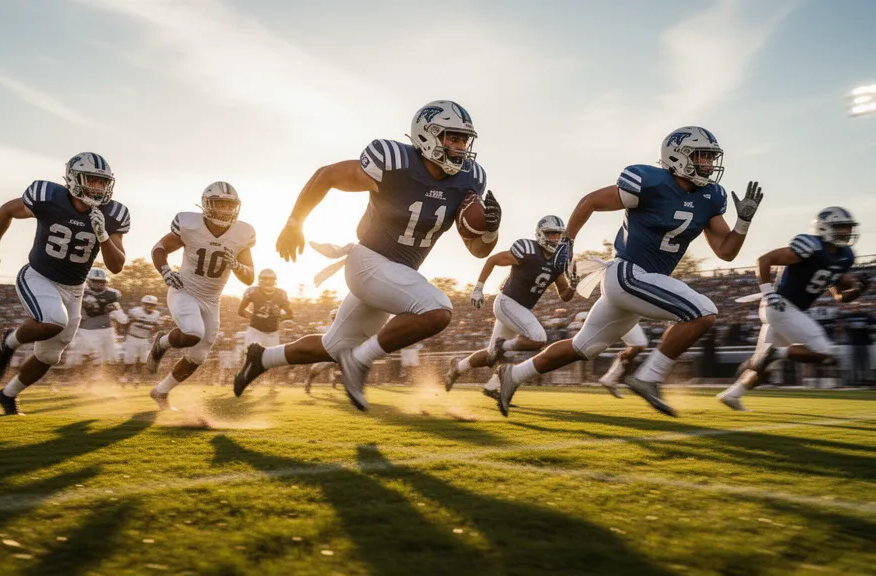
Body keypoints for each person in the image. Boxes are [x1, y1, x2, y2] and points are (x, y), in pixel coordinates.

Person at [234, 100, 500, 411]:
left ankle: (261, 358)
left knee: (333, 347)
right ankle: (359, 362)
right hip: (368, 261)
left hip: (397, 275)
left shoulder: (469, 179)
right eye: (452, 138)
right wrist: (295, 223)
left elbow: (476, 249)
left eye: (464, 140)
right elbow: (327, 175)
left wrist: (490, 231)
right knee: (437, 309)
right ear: (428, 135)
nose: (460, 148)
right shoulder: (395, 160)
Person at [494, 126, 763, 417]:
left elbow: (726, 252)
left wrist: (743, 222)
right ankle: (649, 377)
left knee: (583, 347)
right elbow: (591, 202)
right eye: (702, 157)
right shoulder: (650, 182)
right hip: (628, 273)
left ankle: (514, 375)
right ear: (678, 156)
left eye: (711, 158)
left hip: (640, 282)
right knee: (703, 312)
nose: (709, 165)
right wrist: (568, 242)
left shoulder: (710, 197)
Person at [0, 152, 130, 415]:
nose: (97, 188)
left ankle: (8, 394)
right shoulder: (47, 196)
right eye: (91, 180)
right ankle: (10, 341)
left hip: (74, 288)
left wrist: (103, 236)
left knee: (50, 356)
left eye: (102, 182)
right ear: (74, 179)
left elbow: (116, 266)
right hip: (38, 276)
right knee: (53, 321)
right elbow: (7, 209)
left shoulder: (114, 214)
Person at [718, 207, 869, 410]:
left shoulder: (845, 257)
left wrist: (858, 289)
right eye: (841, 227)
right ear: (824, 228)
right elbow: (764, 260)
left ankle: (732, 394)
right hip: (780, 305)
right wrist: (769, 292)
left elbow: (840, 297)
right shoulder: (810, 246)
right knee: (823, 351)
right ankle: (776, 353)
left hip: (788, 311)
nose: (846, 232)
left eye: (848, 227)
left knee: (760, 368)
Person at [146, 181, 255, 410]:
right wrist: (165, 271)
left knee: (198, 357)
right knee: (193, 332)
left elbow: (249, 277)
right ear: (207, 204)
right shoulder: (189, 224)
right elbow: (159, 248)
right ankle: (162, 342)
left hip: (212, 300)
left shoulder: (242, 233)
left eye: (229, 206)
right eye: (219, 204)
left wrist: (236, 264)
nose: (225, 210)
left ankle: (161, 392)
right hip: (185, 290)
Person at [444, 215, 574, 395]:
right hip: (507, 302)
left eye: (557, 235)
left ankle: (460, 369)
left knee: (491, 355)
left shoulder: (558, 261)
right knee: (537, 338)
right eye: (550, 234)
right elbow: (492, 260)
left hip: (519, 308)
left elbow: (564, 295)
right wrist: (479, 288)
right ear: (540, 234)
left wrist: (573, 285)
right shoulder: (527, 250)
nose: (554, 238)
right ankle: (502, 347)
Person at [66, 267, 124, 380]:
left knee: (112, 357)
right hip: (85, 330)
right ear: (88, 281)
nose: (98, 284)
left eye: (101, 281)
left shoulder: (112, 294)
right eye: (95, 281)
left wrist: (116, 312)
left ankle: (107, 379)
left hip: (106, 330)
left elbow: (122, 317)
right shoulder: (80, 293)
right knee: (83, 356)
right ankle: (84, 378)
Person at [239, 269, 292, 351]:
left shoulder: (281, 294)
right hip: (255, 331)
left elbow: (290, 314)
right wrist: (253, 317)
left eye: (270, 279)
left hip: (273, 333)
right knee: (251, 357)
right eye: (265, 279)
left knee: (271, 361)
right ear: (260, 280)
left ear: (274, 281)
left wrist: (276, 318)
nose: (268, 282)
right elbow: (240, 311)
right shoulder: (252, 291)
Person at [120, 294, 162, 386]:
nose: (149, 306)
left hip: (145, 339)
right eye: (147, 304)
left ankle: (137, 377)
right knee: (130, 359)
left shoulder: (156, 314)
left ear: (155, 306)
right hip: (132, 337)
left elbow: (158, 326)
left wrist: (155, 329)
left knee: (143, 360)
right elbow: (125, 322)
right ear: (143, 304)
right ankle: (124, 375)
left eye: (152, 304)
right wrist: (124, 333)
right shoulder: (135, 311)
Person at [304, 308, 339, 394]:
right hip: (327, 352)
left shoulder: (345, 327)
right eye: (334, 317)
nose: (335, 319)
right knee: (316, 369)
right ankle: (308, 381)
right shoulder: (325, 328)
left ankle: (334, 377)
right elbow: (314, 331)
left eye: (336, 317)